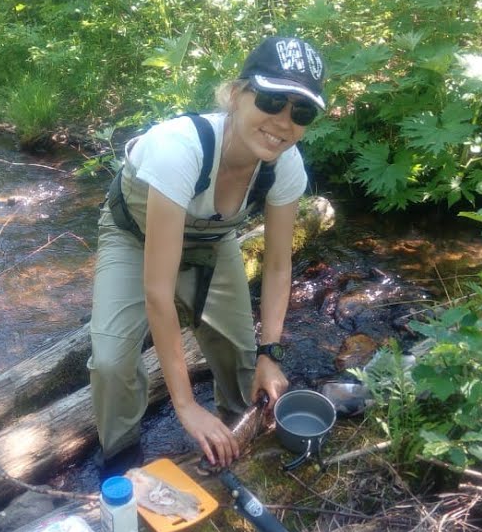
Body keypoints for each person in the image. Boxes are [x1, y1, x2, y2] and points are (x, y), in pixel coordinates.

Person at [91, 35, 326, 471]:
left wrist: (269, 355)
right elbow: (158, 291)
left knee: (241, 358)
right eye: (272, 100)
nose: (283, 121)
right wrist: (184, 404)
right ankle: (120, 464)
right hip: (134, 237)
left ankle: (236, 440)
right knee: (110, 363)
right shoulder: (178, 148)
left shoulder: (286, 167)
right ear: (236, 95)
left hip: (213, 242)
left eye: (302, 111)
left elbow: (277, 264)